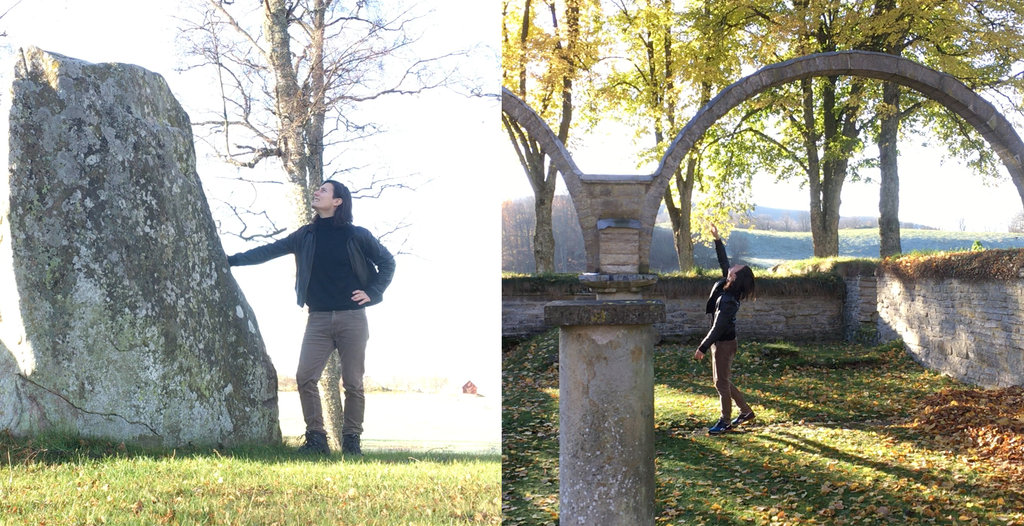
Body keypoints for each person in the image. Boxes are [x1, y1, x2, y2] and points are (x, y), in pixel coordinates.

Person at [227, 180, 395, 455]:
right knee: (305, 377)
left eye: (324, 190)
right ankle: (317, 439)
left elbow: (387, 262)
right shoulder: (305, 235)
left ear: (338, 201)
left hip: (352, 318)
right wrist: (230, 260)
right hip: (317, 318)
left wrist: (373, 293)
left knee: (353, 383)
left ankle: (352, 441)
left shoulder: (357, 235)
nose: (317, 192)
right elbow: (268, 250)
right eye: (317, 189)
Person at [693, 224, 755, 436]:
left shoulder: (728, 301)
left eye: (737, 268)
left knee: (721, 383)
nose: (733, 266)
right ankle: (746, 412)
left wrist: (703, 347)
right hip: (722, 342)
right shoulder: (727, 286)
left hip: (724, 344)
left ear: (735, 277)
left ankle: (725, 421)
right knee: (723, 381)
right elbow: (724, 261)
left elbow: (719, 327)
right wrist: (717, 239)